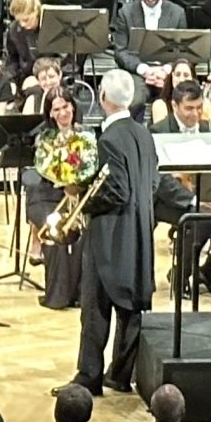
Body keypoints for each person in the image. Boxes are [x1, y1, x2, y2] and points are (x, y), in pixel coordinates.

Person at [76, 70, 157, 397]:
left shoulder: (108, 140)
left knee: (95, 308)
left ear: (103, 98)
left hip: (110, 234)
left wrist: (81, 196)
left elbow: (116, 191)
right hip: (139, 229)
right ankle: (120, 375)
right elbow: (152, 183)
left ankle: (89, 377)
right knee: (130, 304)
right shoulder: (144, 134)